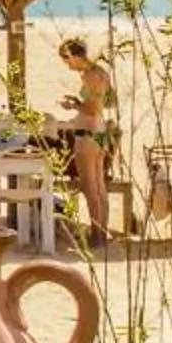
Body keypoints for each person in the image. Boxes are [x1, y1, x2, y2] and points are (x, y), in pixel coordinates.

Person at [53, 36, 115, 242]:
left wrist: (73, 106)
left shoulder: (89, 75)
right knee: (99, 186)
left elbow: (92, 108)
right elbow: (107, 103)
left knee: (90, 188)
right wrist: (79, 101)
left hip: (86, 134)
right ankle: (102, 231)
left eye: (66, 58)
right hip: (100, 131)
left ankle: (96, 234)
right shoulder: (101, 73)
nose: (66, 63)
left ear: (75, 56)